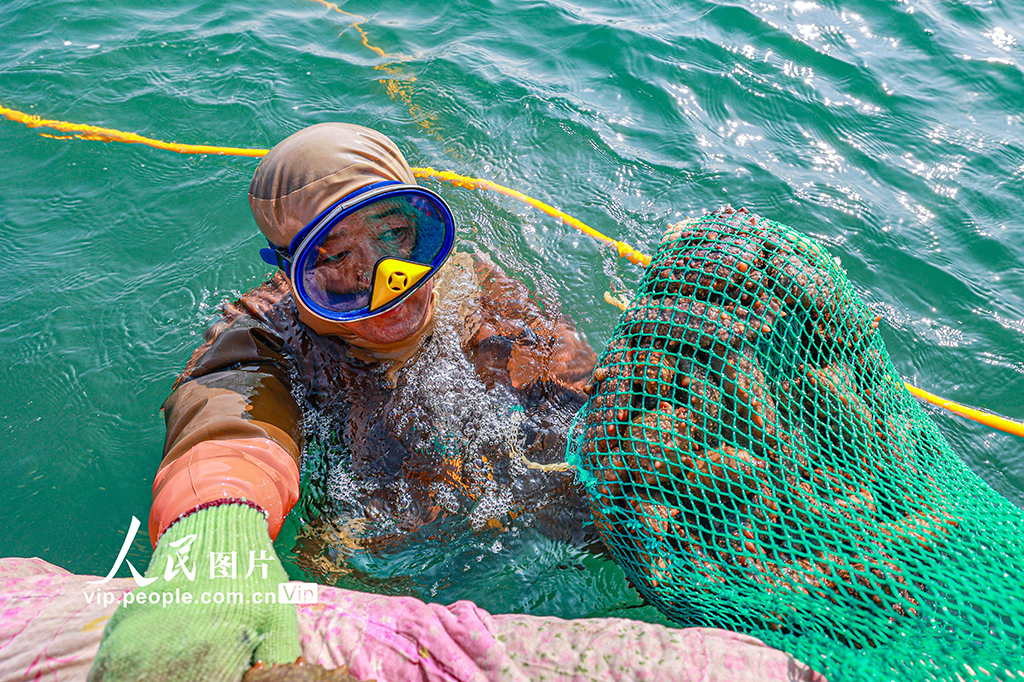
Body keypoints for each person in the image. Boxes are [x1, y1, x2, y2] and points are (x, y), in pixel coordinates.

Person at [89, 123, 599, 680]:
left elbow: (571, 387)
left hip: (514, 513)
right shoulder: (264, 334)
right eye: (335, 257)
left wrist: (631, 426)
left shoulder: (475, 288)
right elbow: (226, 427)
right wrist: (213, 540)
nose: (385, 278)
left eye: (396, 233)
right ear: (289, 271)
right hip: (384, 549)